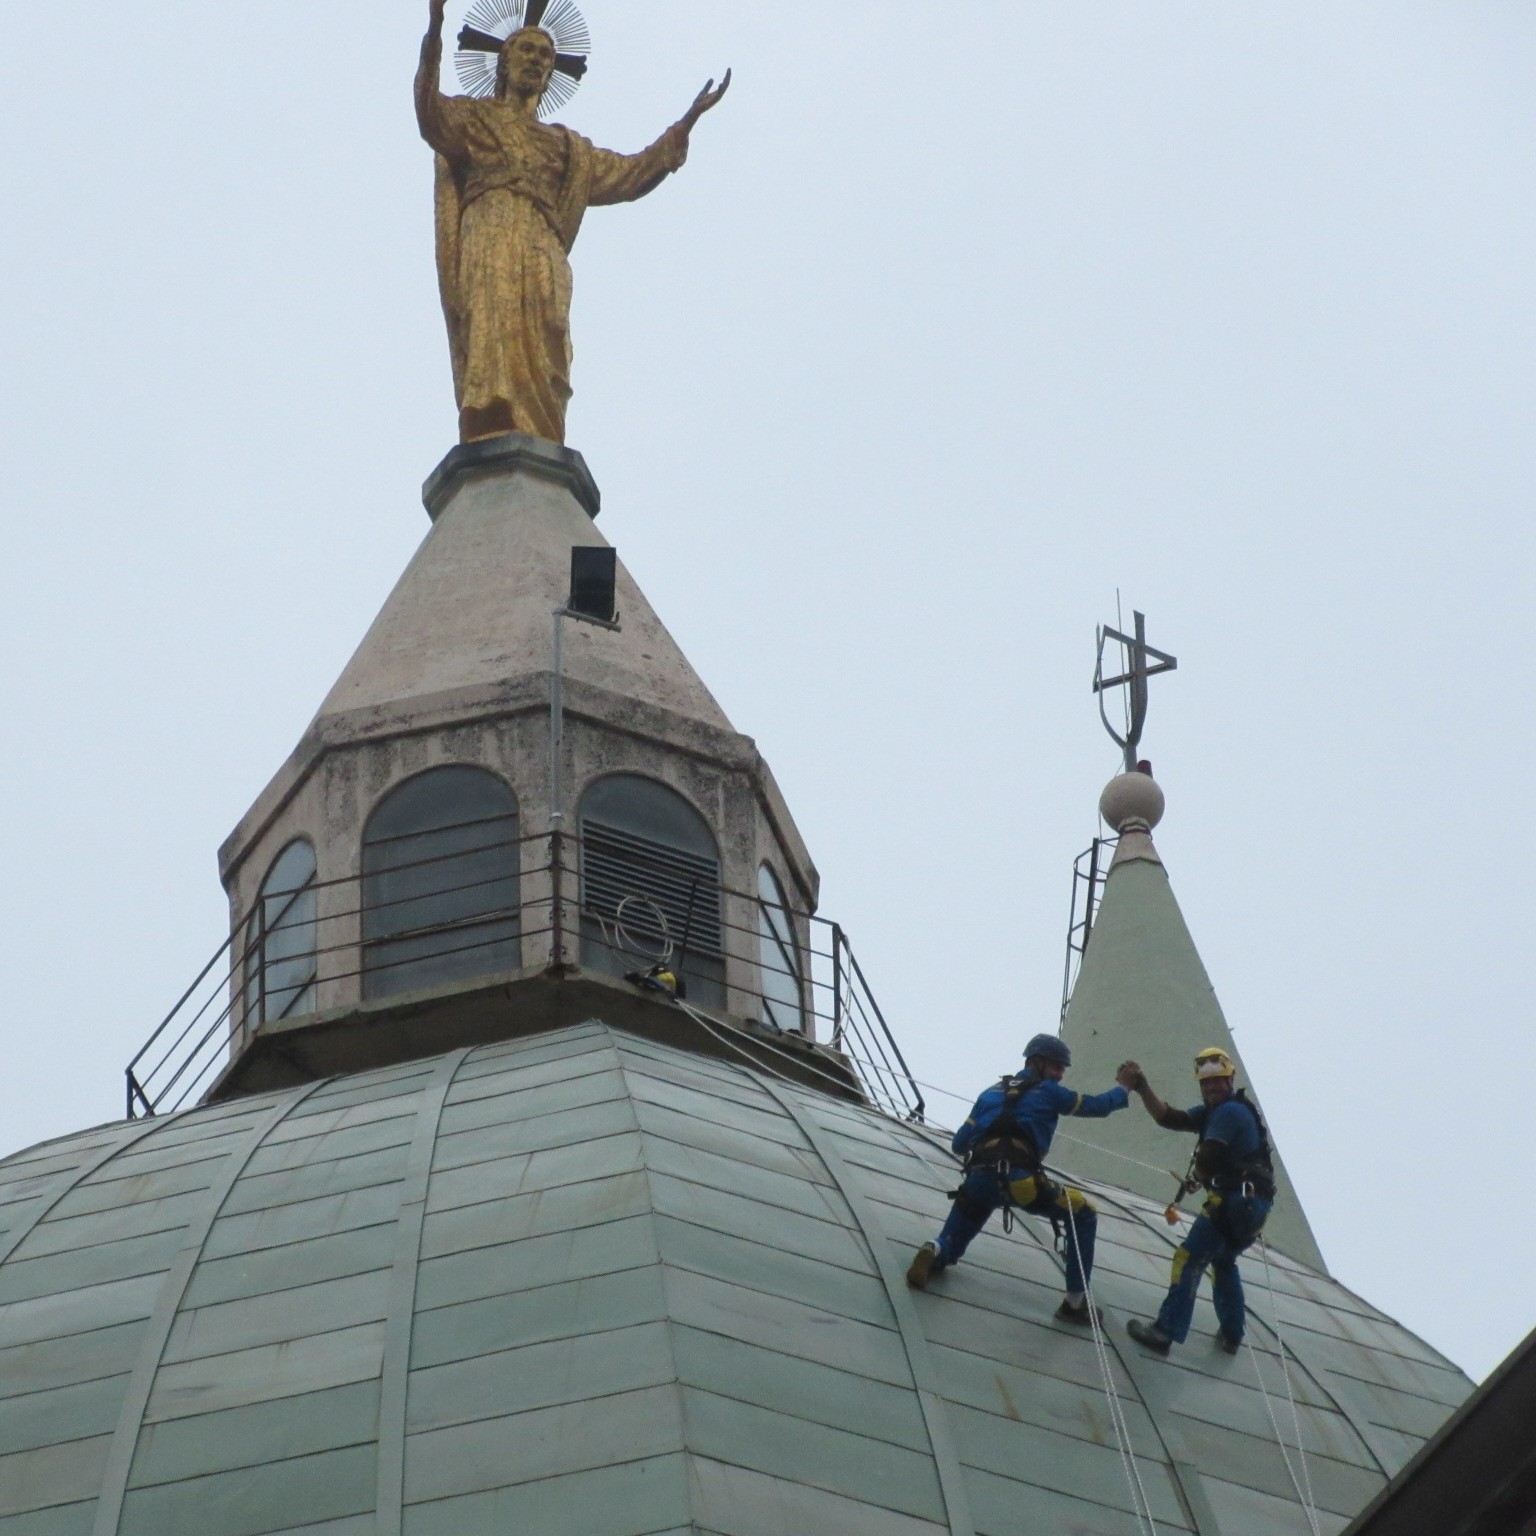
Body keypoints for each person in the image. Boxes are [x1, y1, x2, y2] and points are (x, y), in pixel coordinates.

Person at [416, 0, 731, 444]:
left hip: (544, 244)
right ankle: (493, 417)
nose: (536, 60)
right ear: (503, 62)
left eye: (544, 56)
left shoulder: (567, 148)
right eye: (525, 50)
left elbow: (627, 174)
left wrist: (684, 125)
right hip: (490, 233)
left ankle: (541, 433)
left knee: (549, 333)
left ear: (551, 73)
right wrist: (435, 29)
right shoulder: (474, 118)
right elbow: (430, 115)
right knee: (493, 319)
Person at [906, 1034, 1140, 1325]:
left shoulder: (989, 1093)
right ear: (1037, 1063)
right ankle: (1074, 1304)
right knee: (1084, 1213)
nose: (1060, 1074)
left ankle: (934, 1249)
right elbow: (1097, 1106)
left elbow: (959, 1144)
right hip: (1021, 1183)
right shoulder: (1050, 1092)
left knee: (952, 1242)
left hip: (978, 1182)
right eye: (1056, 1067)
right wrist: (1124, 1087)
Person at [1124, 1047, 1276, 1356]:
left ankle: (1165, 1331)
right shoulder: (1215, 1112)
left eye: (1218, 1082)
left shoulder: (1228, 1112)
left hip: (1233, 1203)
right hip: (1254, 1207)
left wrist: (1197, 1177)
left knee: (1188, 1258)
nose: (1212, 1088)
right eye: (1206, 1084)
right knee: (1223, 1260)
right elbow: (1169, 1118)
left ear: (1230, 1080)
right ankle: (1232, 1334)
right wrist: (1143, 1088)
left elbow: (1210, 1155)